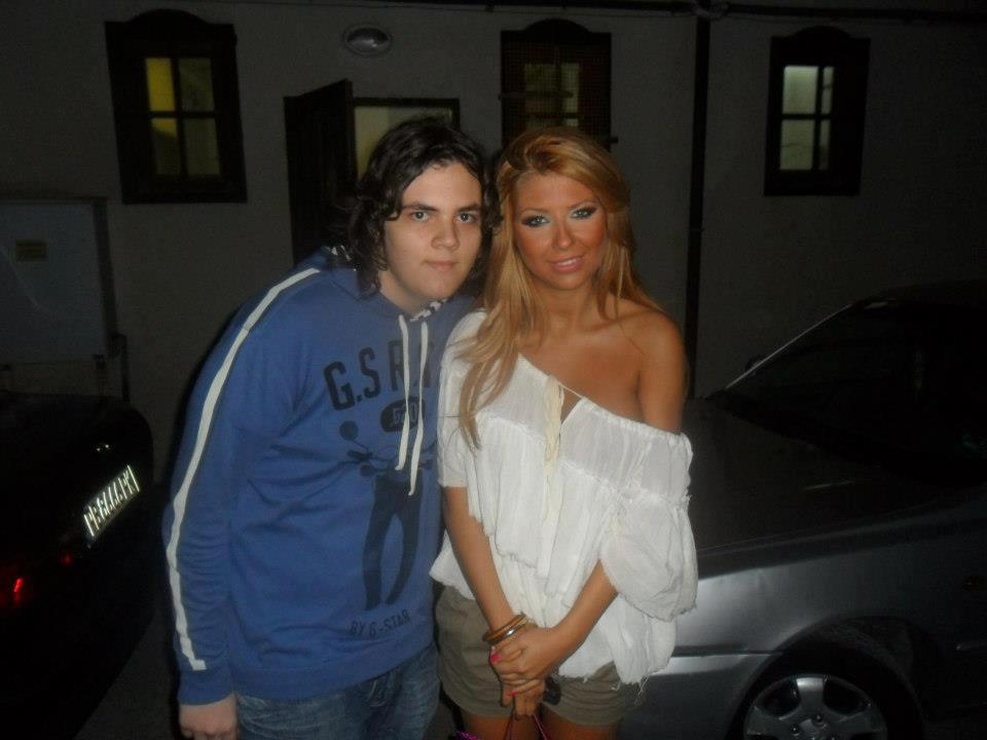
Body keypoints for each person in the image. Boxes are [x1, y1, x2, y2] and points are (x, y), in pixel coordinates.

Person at [162, 117, 495, 740]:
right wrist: (203, 676)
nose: (448, 239)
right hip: (292, 677)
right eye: (420, 214)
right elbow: (195, 515)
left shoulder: (462, 323)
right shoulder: (286, 326)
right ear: (376, 220)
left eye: (467, 216)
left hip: (411, 654)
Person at [430, 127, 698, 740]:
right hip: (485, 612)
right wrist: (508, 634)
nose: (564, 240)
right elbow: (458, 498)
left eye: (582, 211)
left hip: (598, 623)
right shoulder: (475, 340)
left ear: (612, 217)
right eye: (537, 220)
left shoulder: (651, 341)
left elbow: (652, 513)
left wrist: (561, 639)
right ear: (510, 231)